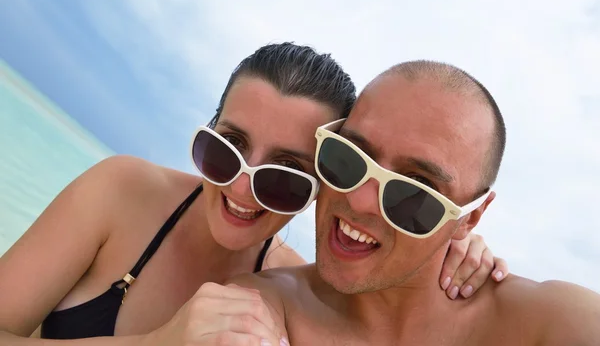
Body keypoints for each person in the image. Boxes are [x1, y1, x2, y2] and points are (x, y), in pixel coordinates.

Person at [0, 45, 506, 344]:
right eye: (227, 148)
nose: (243, 186)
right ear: (208, 127)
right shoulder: (121, 193)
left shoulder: (292, 295)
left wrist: (452, 246)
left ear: (330, 180)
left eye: (285, 174)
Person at [181, 60, 600, 346]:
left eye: (414, 190)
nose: (360, 201)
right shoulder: (259, 309)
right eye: (347, 160)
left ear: (468, 218)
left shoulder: (554, 324)